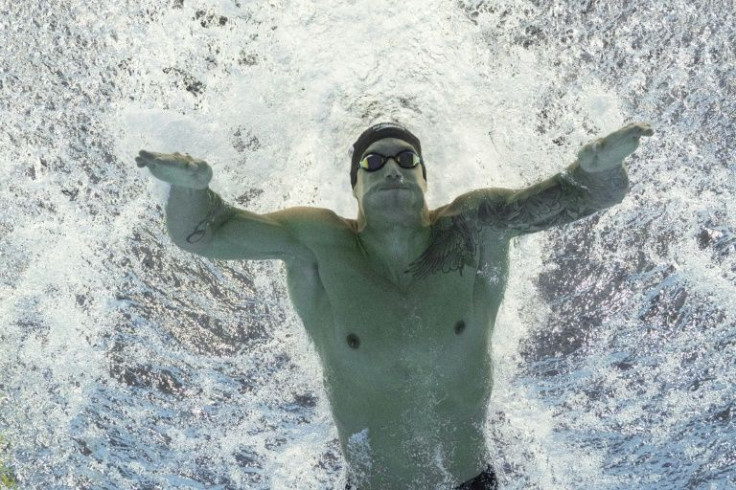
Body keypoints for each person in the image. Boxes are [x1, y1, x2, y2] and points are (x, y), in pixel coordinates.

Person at [137, 121, 653, 489]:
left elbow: (581, 196)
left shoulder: (474, 224)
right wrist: (193, 190)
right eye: (374, 162)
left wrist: (595, 171)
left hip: (472, 482)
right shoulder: (317, 240)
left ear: (425, 178)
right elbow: (202, 233)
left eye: (407, 160)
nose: (392, 170)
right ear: (355, 184)